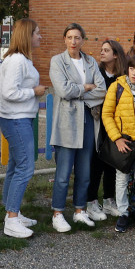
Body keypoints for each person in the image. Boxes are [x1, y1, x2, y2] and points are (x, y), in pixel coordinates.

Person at [49, 23, 107, 232]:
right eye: (70, 37)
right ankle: (57, 213)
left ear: (83, 40)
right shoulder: (57, 61)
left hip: (88, 119)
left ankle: (80, 210)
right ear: (64, 39)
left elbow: (102, 90)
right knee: (63, 173)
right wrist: (85, 87)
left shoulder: (90, 62)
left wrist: (79, 93)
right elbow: (63, 90)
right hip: (66, 122)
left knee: (85, 171)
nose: (73, 42)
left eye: (77, 37)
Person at [0, 18, 47, 239]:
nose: (40, 36)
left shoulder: (21, 59)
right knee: (25, 167)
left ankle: (12, 213)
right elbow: (9, 92)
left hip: (19, 119)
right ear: (27, 35)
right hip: (16, 120)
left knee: (16, 166)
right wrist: (34, 92)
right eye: (36, 33)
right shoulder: (18, 60)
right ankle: (11, 219)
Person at [103, 54, 135, 233]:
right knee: (122, 178)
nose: (134, 73)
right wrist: (116, 138)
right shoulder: (117, 86)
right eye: (132, 69)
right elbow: (107, 114)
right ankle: (123, 213)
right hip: (123, 141)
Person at [88, 39, 127, 219]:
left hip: (116, 125)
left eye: (106, 50)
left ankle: (109, 200)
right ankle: (91, 201)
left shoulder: (122, 76)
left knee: (112, 162)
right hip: (98, 123)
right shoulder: (97, 73)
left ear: (116, 54)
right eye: (101, 50)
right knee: (96, 163)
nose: (102, 53)